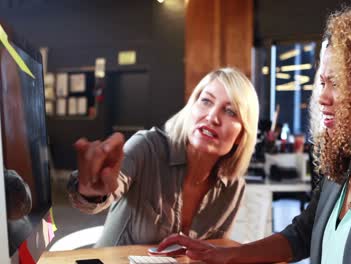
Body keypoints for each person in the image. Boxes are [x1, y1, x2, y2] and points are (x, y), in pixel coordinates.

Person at [157, 5, 351, 264]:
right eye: (322, 82)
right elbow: (302, 234)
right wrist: (228, 255)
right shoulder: (346, 156)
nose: (322, 97)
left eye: (337, 83)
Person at [67, 67, 259, 247]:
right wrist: (91, 190)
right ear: (191, 106)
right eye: (206, 101)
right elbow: (98, 196)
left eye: (230, 111)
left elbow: (213, 253)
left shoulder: (233, 187)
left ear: (241, 135)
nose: (212, 117)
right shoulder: (147, 147)